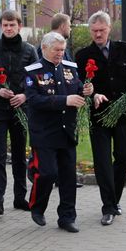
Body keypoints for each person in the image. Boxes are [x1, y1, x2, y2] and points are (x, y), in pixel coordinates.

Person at [75, 11, 126, 226]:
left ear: (109, 29)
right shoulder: (82, 55)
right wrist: (91, 94)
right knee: (102, 163)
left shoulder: (124, 49)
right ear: (90, 31)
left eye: (101, 30)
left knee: (124, 157)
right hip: (99, 116)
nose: (98, 34)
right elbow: (79, 85)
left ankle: (114, 200)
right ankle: (108, 208)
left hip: (123, 114)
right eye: (94, 31)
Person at [25, 32, 93, 233]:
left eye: (63, 50)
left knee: (68, 177)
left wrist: (88, 91)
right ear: (44, 49)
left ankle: (67, 217)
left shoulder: (70, 68)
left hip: (66, 131)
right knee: (47, 173)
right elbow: (34, 100)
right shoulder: (32, 72)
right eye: (56, 50)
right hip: (44, 133)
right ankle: (37, 206)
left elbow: (78, 89)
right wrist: (65, 100)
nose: (60, 54)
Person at [0, 10, 38, 215]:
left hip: (20, 109)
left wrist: (25, 96)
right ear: (1, 27)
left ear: (19, 26)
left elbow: (38, 79)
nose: (9, 28)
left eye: (12, 25)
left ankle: (20, 198)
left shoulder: (29, 50)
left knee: (20, 155)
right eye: (5, 25)